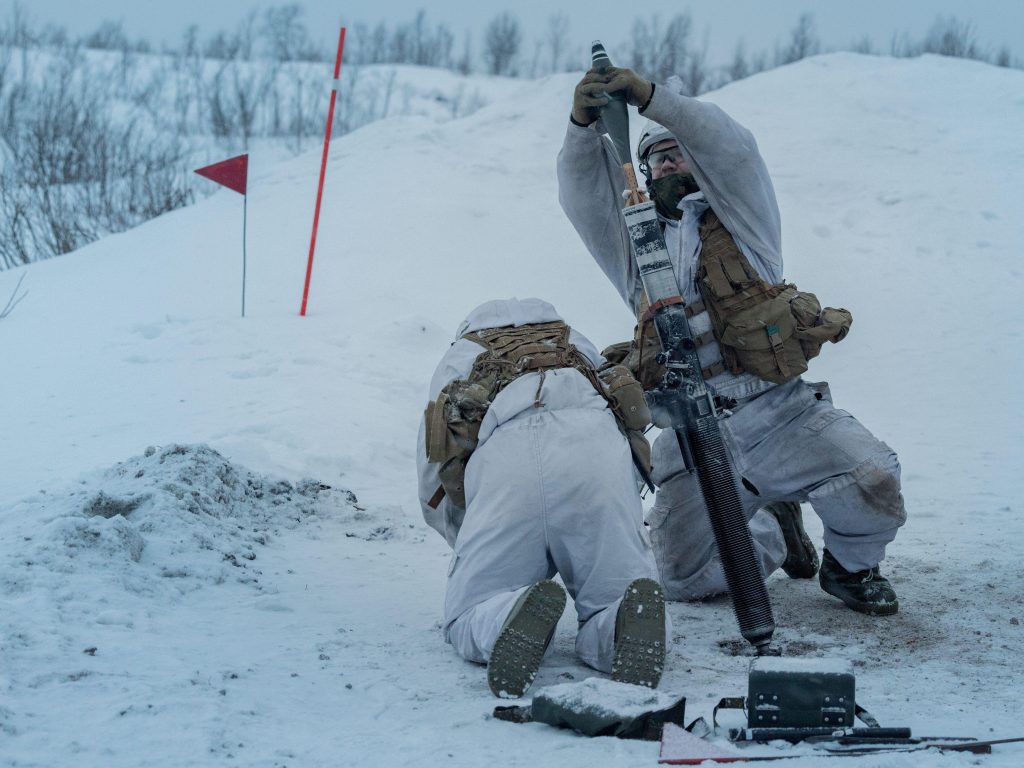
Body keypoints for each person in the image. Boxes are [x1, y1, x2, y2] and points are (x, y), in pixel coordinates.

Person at [556, 67, 907, 616]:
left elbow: (732, 149)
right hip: (698, 434)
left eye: (678, 150)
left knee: (873, 480)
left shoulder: (748, 219)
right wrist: (582, 127)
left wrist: (653, 100)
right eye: (657, 157)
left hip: (784, 414)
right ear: (645, 173)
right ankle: (771, 528)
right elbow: (583, 199)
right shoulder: (636, 249)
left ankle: (851, 568)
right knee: (682, 578)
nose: (670, 161)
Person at [416, 297, 670, 698]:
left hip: (507, 463)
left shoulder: (460, 356)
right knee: (614, 594)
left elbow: (435, 471)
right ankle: (619, 626)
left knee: (470, 613)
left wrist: (468, 540)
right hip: (597, 452)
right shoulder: (574, 342)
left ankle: (504, 616)